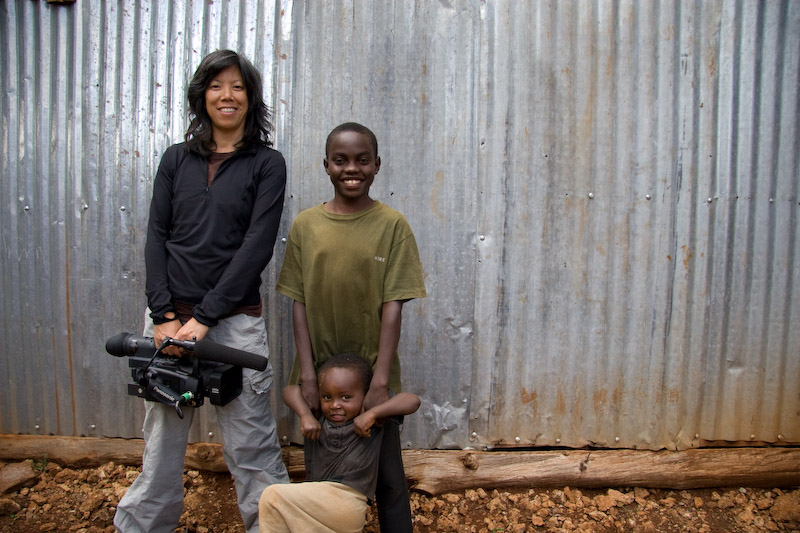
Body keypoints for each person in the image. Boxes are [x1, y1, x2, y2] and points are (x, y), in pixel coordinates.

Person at [114, 49, 289, 533]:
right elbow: (156, 236)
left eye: (237, 86)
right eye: (216, 86)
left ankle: (271, 527)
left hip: (234, 324)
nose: (226, 96)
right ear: (202, 96)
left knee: (252, 442)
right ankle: (141, 527)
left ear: (250, 97)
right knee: (162, 442)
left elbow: (256, 247)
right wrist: (163, 315)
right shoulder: (176, 159)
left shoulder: (267, 164)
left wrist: (205, 318)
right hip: (169, 323)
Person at [275, 122, 427, 532]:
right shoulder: (306, 225)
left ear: (377, 164)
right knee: (322, 470)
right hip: (320, 375)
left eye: (362, 160)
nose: (351, 169)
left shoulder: (392, 226)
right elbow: (299, 303)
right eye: (340, 160)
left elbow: (393, 305)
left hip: (372, 374)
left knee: (389, 475)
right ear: (326, 165)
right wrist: (308, 374)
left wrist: (380, 380)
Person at [259, 353, 421, 533]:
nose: (335, 405)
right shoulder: (319, 417)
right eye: (327, 397)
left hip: (347, 502)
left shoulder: (370, 421)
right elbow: (288, 391)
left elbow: (413, 401)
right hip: (320, 500)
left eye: (345, 397)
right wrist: (305, 415)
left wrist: (372, 414)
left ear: (365, 395)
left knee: (271, 497)